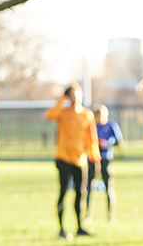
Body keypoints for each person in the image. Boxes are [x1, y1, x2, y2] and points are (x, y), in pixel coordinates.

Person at [45, 82, 101, 238]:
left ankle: (79, 227)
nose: (74, 98)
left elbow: (92, 139)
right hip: (63, 158)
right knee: (63, 192)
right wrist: (61, 98)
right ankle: (61, 228)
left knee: (80, 194)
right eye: (71, 95)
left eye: (77, 95)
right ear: (68, 96)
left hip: (80, 160)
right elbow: (49, 114)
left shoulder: (86, 114)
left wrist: (95, 157)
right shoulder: (62, 112)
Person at [85, 104, 123, 223]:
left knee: (108, 187)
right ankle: (87, 214)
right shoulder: (93, 126)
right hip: (93, 159)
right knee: (89, 187)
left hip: (106, 158)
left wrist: (108, 143)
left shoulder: (111, 126)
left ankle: (110, 216)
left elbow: (119, 141)